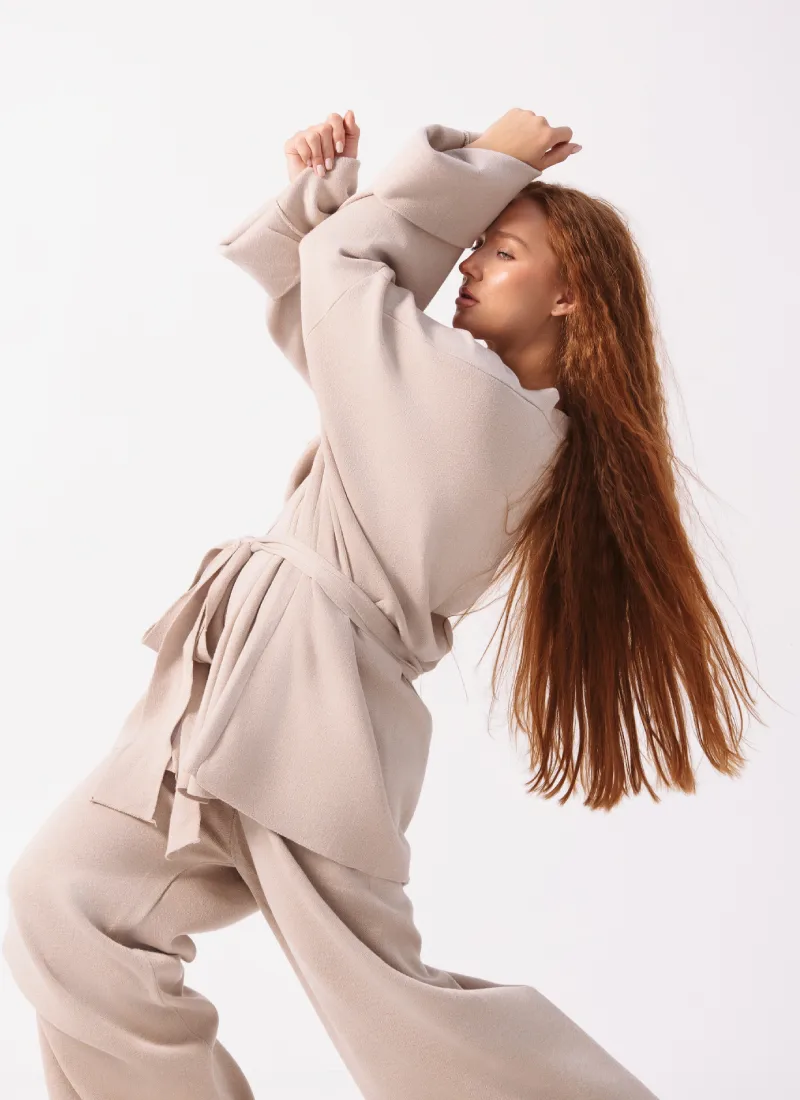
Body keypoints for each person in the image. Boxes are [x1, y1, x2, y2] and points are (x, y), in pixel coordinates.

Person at [2, 107, 763, 1099]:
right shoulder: (471, 401)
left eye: (500, 250)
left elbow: (342, 275)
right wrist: (326, 198)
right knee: (66, 904)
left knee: (388, 1002)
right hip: (268, 682)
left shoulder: (483, 407)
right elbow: (333, 310)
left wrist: (482, 161)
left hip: (308, 706)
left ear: (567, 293)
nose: (468, 264)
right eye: (474, 244)